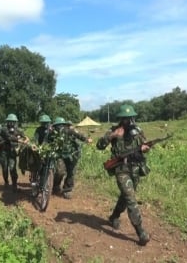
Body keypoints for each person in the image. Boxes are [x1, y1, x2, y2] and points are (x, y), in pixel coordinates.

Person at [96, 104, 151, 246]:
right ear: (121, 119)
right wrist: (112, 136)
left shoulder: (138, 130)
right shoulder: (114, 130)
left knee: (125, 197)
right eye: (125, 119)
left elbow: (144, 146)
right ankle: (141, 232)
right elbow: (99, 145)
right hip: (121, 169)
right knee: (130, 199)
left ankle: (114, 216)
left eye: (130, 118)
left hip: (136, 169)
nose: (128, 121)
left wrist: (145, 148)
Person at [49, 117, 92, 199]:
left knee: (71, 172)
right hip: (60, 155)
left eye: (61, 125)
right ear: (55, 126)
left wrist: (87, 139)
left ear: (64, 125)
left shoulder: (69, 130)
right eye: (57, 126)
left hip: (72, 154)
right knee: (59, 171)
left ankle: (67, 190)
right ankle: (56, 186)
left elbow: (79, 135)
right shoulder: (53, 133)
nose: (59, 127)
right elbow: (48, 141)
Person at [0, 113, 29, 192]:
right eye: (10, 121)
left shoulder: (18, 130)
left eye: (13, 121)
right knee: (5, 169)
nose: (11, 123)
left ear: (15, 122)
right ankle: (6, 182)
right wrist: (19, 140)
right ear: (7, 122)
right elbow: (9, 138)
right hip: (3, 152)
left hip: (12, 153)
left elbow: (26, 137)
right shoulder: (4, 129)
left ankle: (14, 185)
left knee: (12, 169)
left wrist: (26, 140)